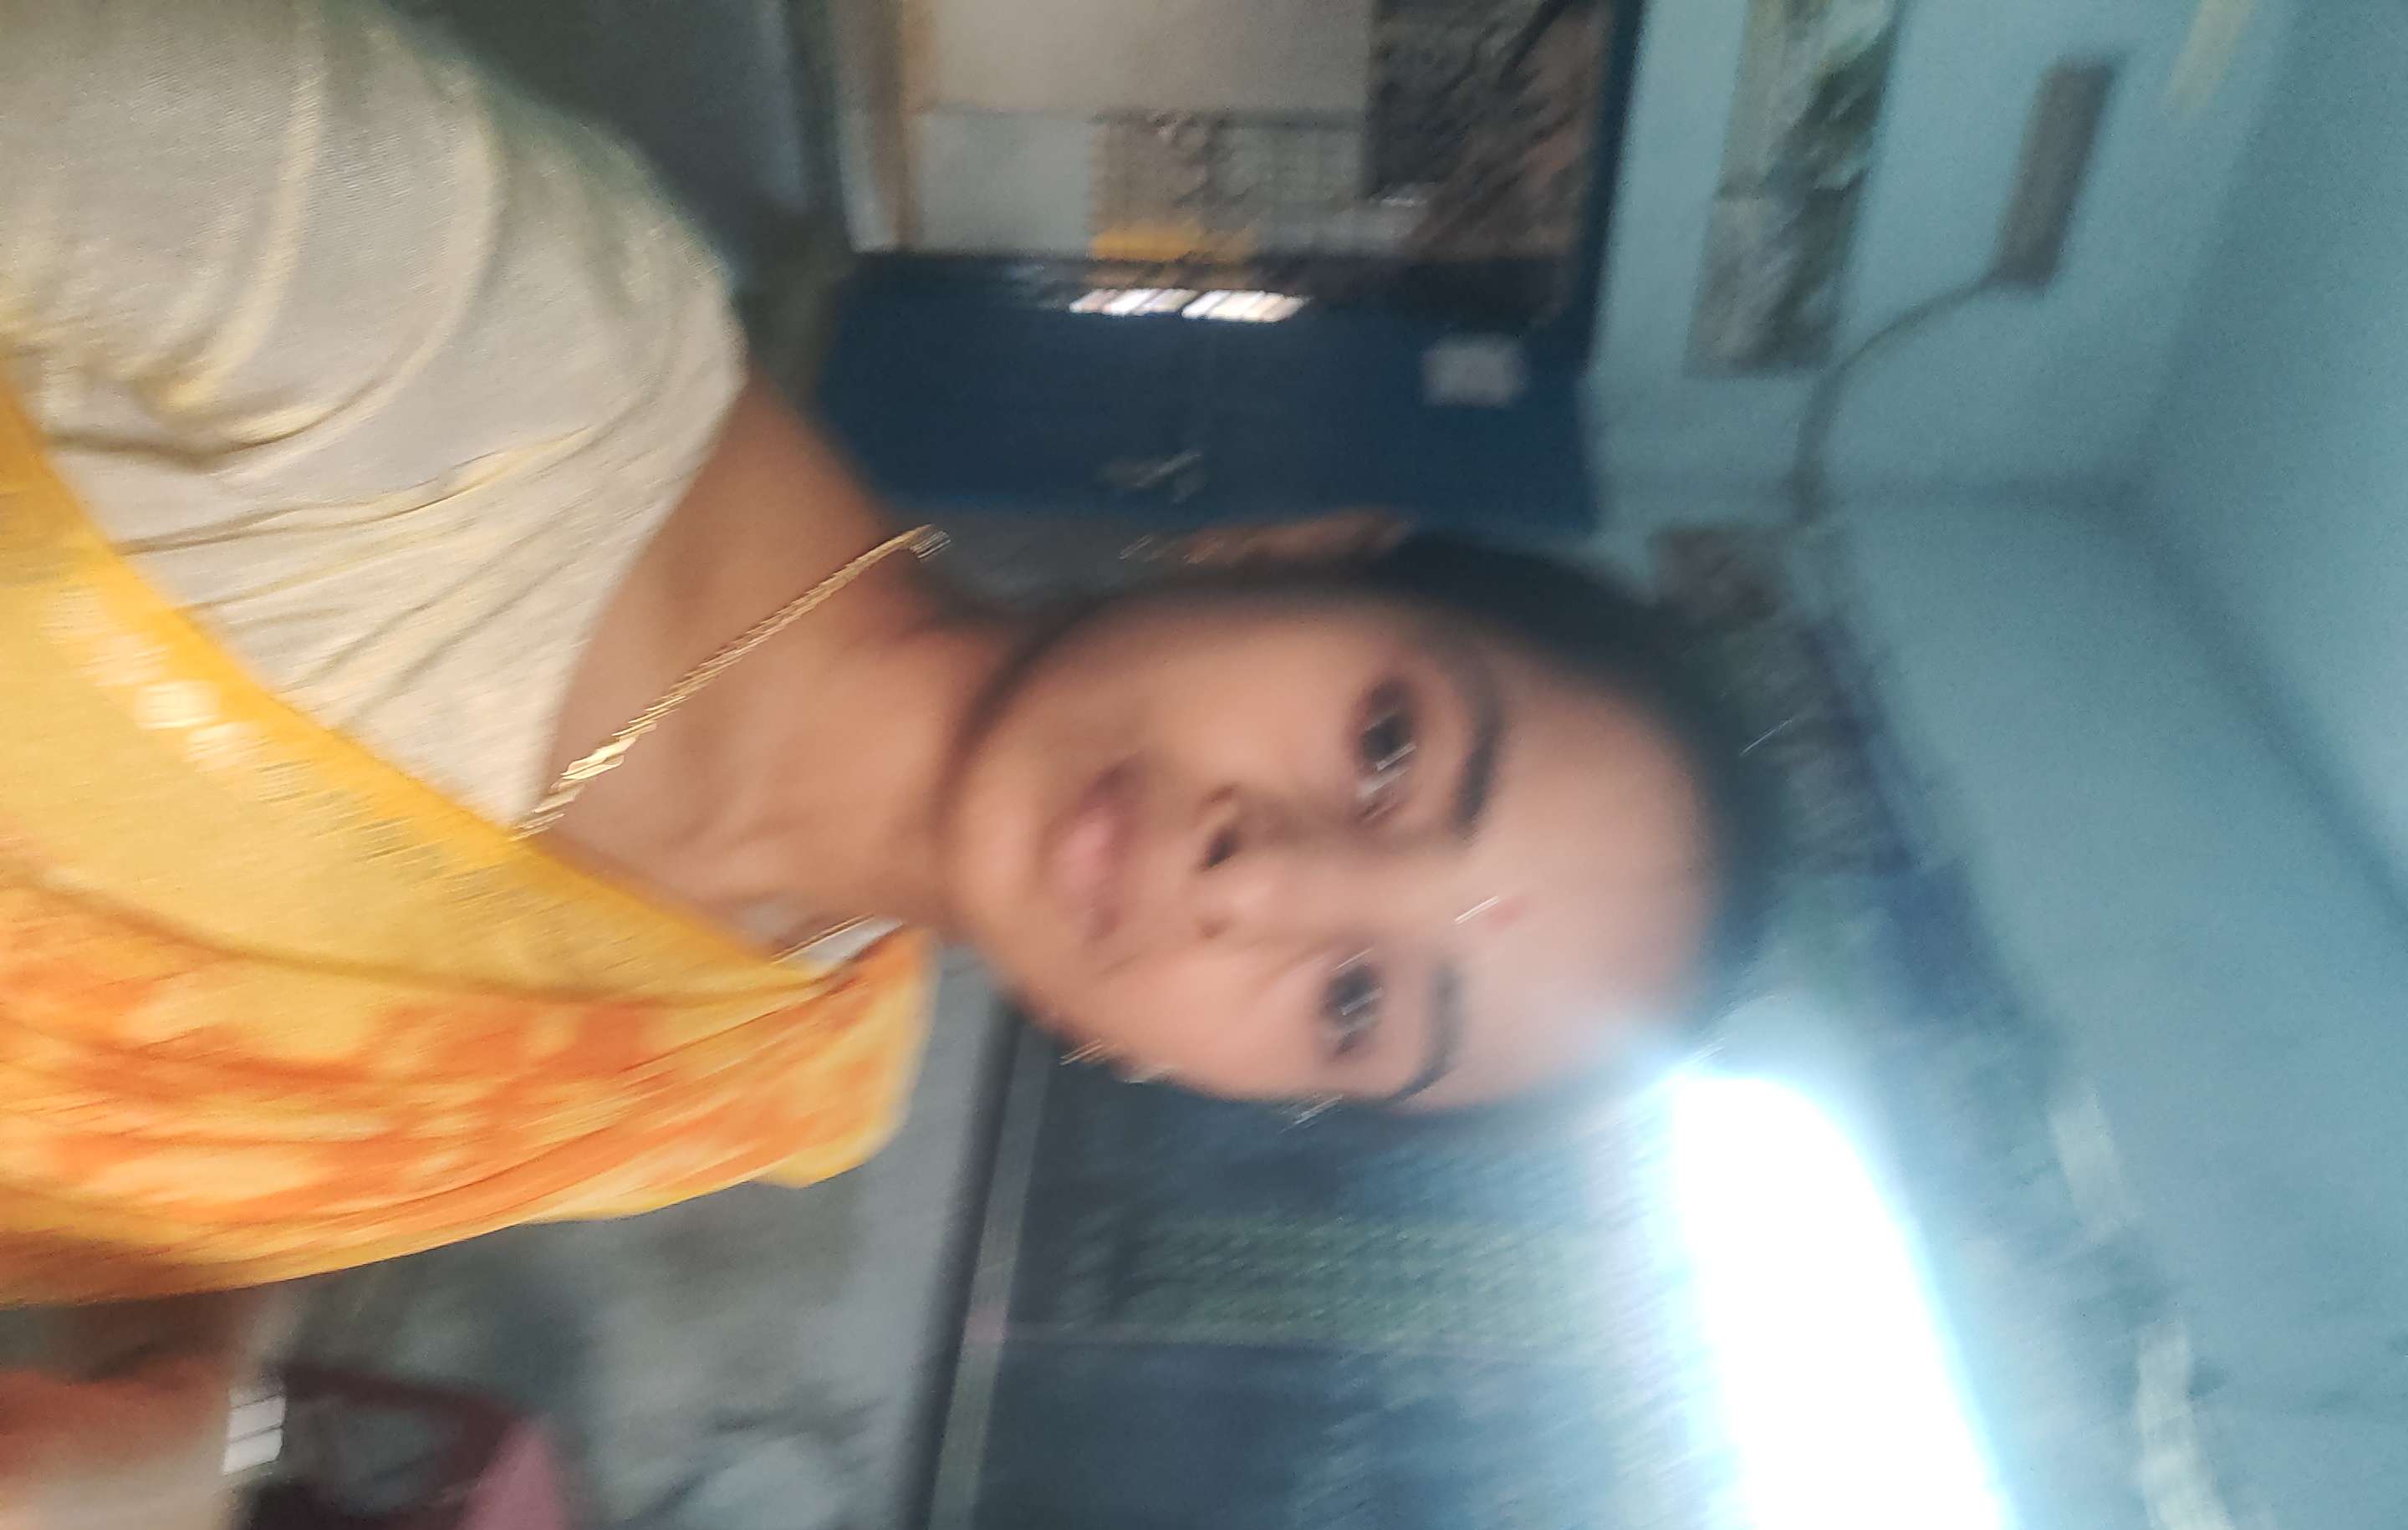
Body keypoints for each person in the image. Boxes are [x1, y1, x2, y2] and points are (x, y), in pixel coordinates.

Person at [0, 0, 1768, 1308]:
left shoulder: (774, 1084)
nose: (1261, 881)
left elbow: (157, 1178)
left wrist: (193, 1417)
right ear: (1291, 542)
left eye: (1356, 1005)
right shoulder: (438, 302)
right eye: (1389, 745)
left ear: (1214, 1081)